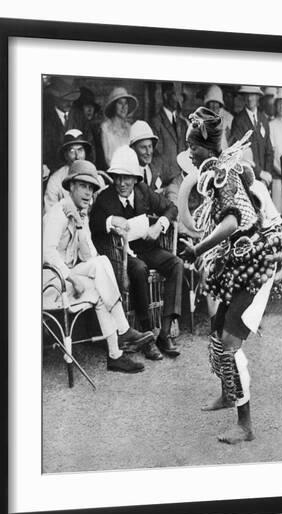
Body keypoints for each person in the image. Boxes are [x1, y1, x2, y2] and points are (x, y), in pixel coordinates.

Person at [179, 106, 282, 444]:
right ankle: (228, 394)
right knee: (216, 330)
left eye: (192, 147)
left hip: (255, 265)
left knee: (228, 343)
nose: (189, 153)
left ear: (206, 146)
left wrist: (197, 250)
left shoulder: (223, 173)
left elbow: (231, 222)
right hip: (238, 263)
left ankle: (245, 424)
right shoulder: (222, 167)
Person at [43, 159, 154, 374]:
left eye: (91, 188)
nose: (88, 193)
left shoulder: (78, 214)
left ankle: (115, 355)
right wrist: (73, 278)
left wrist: (81, 226)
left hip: (65, 276)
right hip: (49, 280)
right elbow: (46, 253)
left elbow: (89, 256)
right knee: (99, 275)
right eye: (83, 186)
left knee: (100, 271)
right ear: (71, 186)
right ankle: (123, 330)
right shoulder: (58, 213)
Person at [90, 146, 184, 360]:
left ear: (135, 178)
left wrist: (158, 226)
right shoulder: (106, 199)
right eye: (117, 178)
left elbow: (171, 208)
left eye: (127, 178)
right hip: (121, 254)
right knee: (139, 269)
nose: (122, 184)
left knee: (176, 263)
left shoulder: (143, 192)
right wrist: (111, 221)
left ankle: (165, 332)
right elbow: (94, 223)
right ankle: (147, 336)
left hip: (146, 248)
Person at [230, 85, 274, 190]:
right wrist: (259, 173)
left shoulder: (263, 119)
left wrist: (266, 175)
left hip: (264, 181)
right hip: (247, 178)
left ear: (258, 97)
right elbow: (241, 153)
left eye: (253, 95)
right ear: (244, 97)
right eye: (247, 95)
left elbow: (269, 151)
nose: (250, 98)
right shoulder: (238, 121)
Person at [44, 129, 92, 212]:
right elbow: (49, 214)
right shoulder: (55, 180)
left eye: (80, 150)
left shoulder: (95, 176)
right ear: (66, 155)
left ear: (85, 153)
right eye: (72, 151)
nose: (77, 156)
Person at [151, 82, 188, 187]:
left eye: (180, 95)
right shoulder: (156, 122)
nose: (179, 99)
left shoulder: (183, 123)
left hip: (182, 180)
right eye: (175, 95)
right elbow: (156, 155)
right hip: (165, 182)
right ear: (166, 96)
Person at [42, 76, 80, 174]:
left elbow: (90, 147)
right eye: (65, 99)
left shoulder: (79, 117)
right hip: (53, 173)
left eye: (72, 99)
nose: (70, 103)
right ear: (55, 98)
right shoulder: (45, 119)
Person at [100, 87, 138, 168]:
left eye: (126, 103)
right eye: (120, 103)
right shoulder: (105, 128)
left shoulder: (130, 128)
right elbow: (107, 157)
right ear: (114, 106)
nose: (124, 107)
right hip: (112, 171)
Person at [129, 120, 163, 192]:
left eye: (150, 146)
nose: (148, 152)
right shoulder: (128, 175)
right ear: (133, 149)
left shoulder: (156, 170)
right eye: (143, 147)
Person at [204, 84, 234, 151]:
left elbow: (233, 140)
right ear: (207, 104)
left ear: (220, 104)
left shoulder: (228, 118)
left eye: (216, 102)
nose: (214, 106)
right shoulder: (202, 117)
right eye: (211, 102)